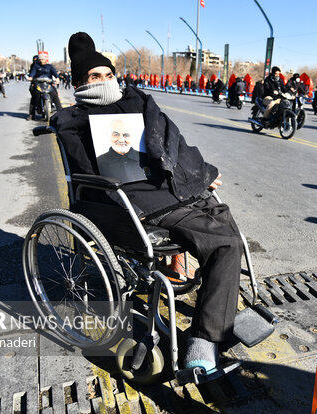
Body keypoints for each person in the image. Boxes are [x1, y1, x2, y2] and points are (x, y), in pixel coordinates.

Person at [52, 32, 242, 375]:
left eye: (109, 74)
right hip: (131, 201)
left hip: (167, 189)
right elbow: (84, 175)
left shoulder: (137, 101)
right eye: (96, 77)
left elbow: (172, 142)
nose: (106, 81)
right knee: (224, 241)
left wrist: (200, 174)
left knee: (223, 218)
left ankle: (215, 312)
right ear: (80, 82)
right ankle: (203, 341)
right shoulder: (72, 121)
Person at [27, 54, 62, 120]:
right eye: (40, 59)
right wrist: (30, 77)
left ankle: (61, 112)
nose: (41, 60)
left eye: (42, 59)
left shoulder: (50, 66)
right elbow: (32, 73)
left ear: (45, 59)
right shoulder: (35, 66)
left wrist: (57, 78)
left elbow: (55, 73)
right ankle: (31, 114)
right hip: (38, 84)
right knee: (34, 97)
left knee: (55, 95)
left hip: (48, 84)